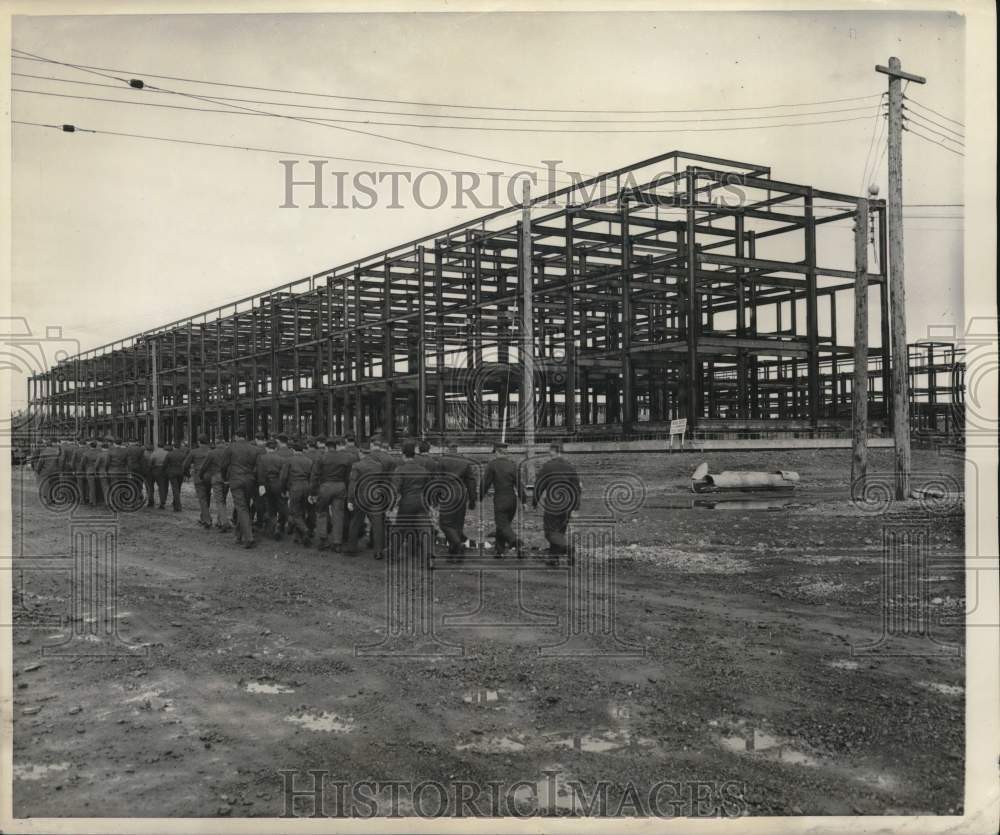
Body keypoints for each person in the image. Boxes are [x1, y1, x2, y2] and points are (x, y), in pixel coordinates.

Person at [532, 442, 582, 560]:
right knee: (559, 532)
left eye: (550, 451)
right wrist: (576, 507)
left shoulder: (548, 466)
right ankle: (553, 558)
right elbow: (577, 489)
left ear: (553, 451)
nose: (549, 453)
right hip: (567, 504)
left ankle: (567, 548)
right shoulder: (570, 466)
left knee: (549, 532)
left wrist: (535, 501)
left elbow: (539, 486)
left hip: (553, 504)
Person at [480, 442, 526, 557]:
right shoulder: (512, 465)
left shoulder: (492, 465)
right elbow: (519, 484)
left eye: (494, 452)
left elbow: (485, 483)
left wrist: (480, 496)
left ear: (497, 452)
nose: (494, 455)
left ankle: (518, 543)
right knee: (503, 526)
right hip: (512, 500)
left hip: (500, 499)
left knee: (502, 525)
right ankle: (499, 551)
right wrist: (524, 501)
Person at [310, 437, 355, 553]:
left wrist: (313, 492)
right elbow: (348, 476)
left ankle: (323, 539)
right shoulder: (346, 458)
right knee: (338, 514)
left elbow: (315, 476)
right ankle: (337, 543)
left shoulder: (321, 457)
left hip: (325, 487)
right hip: (340, 486)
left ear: (326, 446)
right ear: (336, 446)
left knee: (322, 513)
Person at [219, 428, 262, 548]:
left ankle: (249, 538)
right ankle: (238, 534)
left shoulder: (230, 448)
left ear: (236, 436)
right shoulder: (255, 449)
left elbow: (223, 465)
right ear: (246, 436)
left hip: (235, 480)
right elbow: (258, 468)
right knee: (244, 506)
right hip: (249, 481)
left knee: (241, 507)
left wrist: (224, 478)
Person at [436, 439, 478, 557]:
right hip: (461, 495)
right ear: (456, 449)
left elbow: (438, 480)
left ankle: (457, 545)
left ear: (448, 449)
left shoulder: (442, 460)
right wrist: (472, 499)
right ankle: (453, 550)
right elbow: (471, 481)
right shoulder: (464, 461)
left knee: (444, 524)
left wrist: (436, 497)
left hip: (448, 495)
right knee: (457, 524)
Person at [346, 441, 384, 556]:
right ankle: (378, 551)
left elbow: (353, 484)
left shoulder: (357, 466)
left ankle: (352, 548)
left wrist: (350, 500)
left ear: (361, 453)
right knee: (377, 524)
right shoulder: (378, 465)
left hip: (360, 497)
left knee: (356, 522)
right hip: (375, 496)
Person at [255, 439, 287, 540]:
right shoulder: (281, 459)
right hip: (278, 484)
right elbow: (283, 475)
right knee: (281, 505)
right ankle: (280, 525)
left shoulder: (261, 458)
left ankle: (271, 527)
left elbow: (259, 472)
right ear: (276, 448)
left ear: (266, 448)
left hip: (267, 484)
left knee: (269, 506)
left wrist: (261, 485)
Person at [284, 440, 315, 545]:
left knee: (294, 512)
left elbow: (284, 476)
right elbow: (312, 477)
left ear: (293, 450)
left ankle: (305, 530)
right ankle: (298, 536)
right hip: (306, 486)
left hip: (295, 487)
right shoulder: (309, 461)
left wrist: (284, 489)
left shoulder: (289, 460)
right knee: (302, 511)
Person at [199, 439, 230, 532]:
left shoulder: (212, 453)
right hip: (227, 478)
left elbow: (204, 466)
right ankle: (220, 521)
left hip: (216, 477)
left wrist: (201, 475)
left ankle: (224, 522)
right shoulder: (229, 452)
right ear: (224, 443)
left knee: (219, 501)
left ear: (216, 444)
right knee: (223, 499)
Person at [184, 435, 214, 527]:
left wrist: (187, 474)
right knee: (207, 496)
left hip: (198, 477)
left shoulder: (194, 452)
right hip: (209, 476)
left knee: (202, 499)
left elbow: (185, 464)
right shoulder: (211, 451)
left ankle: (207, 520)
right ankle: (204, 517)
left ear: (199, 442)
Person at [32, 437, 62, 505]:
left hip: (46, 472)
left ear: (46, 445)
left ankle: (49, 501)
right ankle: (54, 498)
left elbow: (40, 463)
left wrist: (37, 470)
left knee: (46, 487)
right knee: (54, 485)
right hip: (55, 471)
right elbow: (60, 462)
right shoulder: (57, 451)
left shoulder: (44, 452)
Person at [103, 437, 130, 508]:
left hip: (113, 471)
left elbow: (107, 462)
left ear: (114, 443)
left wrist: (106, 470)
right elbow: (128, 463)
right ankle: (121, 502)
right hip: (122, 471)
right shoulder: (125, 451)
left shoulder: (110, 451)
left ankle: (115, 503)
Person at [164, 442, 188, 512]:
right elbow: (186, 465)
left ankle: (177, 506)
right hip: (180, 472)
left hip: (172, 473)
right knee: (178, 488)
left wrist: (165, 471)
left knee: (175, 489)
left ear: (173, 447)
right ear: (180, 447)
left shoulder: (169, 454)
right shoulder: (183, 455)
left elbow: (165, 464)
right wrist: (186, 473)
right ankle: (175, 502)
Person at [83, 439, 104, 507]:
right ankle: (98, 499)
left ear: (90, 446)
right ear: (96, 446)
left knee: (91, 486)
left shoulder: (86, 453)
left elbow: (83, 462)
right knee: (98, 486)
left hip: (89, 470)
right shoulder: (99, 452)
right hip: (98, 470)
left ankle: (92, 501)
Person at [125, 440, 147, 505]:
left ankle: (132, 498)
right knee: (139, 483)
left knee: (131, 483)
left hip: (129, 469)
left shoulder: (127, 449)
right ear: (135, 443)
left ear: (130, 443)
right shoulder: (140, 449)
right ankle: (139, 496)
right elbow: (143, 461)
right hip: (138, 469)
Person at [147, 443, 169, 509]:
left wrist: (150, 468)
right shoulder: (167, 453)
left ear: (157, 446)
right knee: (162, 487)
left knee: (150, 486)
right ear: (164, 446)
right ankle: (162, 502)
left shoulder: (154, 453)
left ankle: (151, 501)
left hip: (154, 470)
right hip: (163, 470)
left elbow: (150, 462)